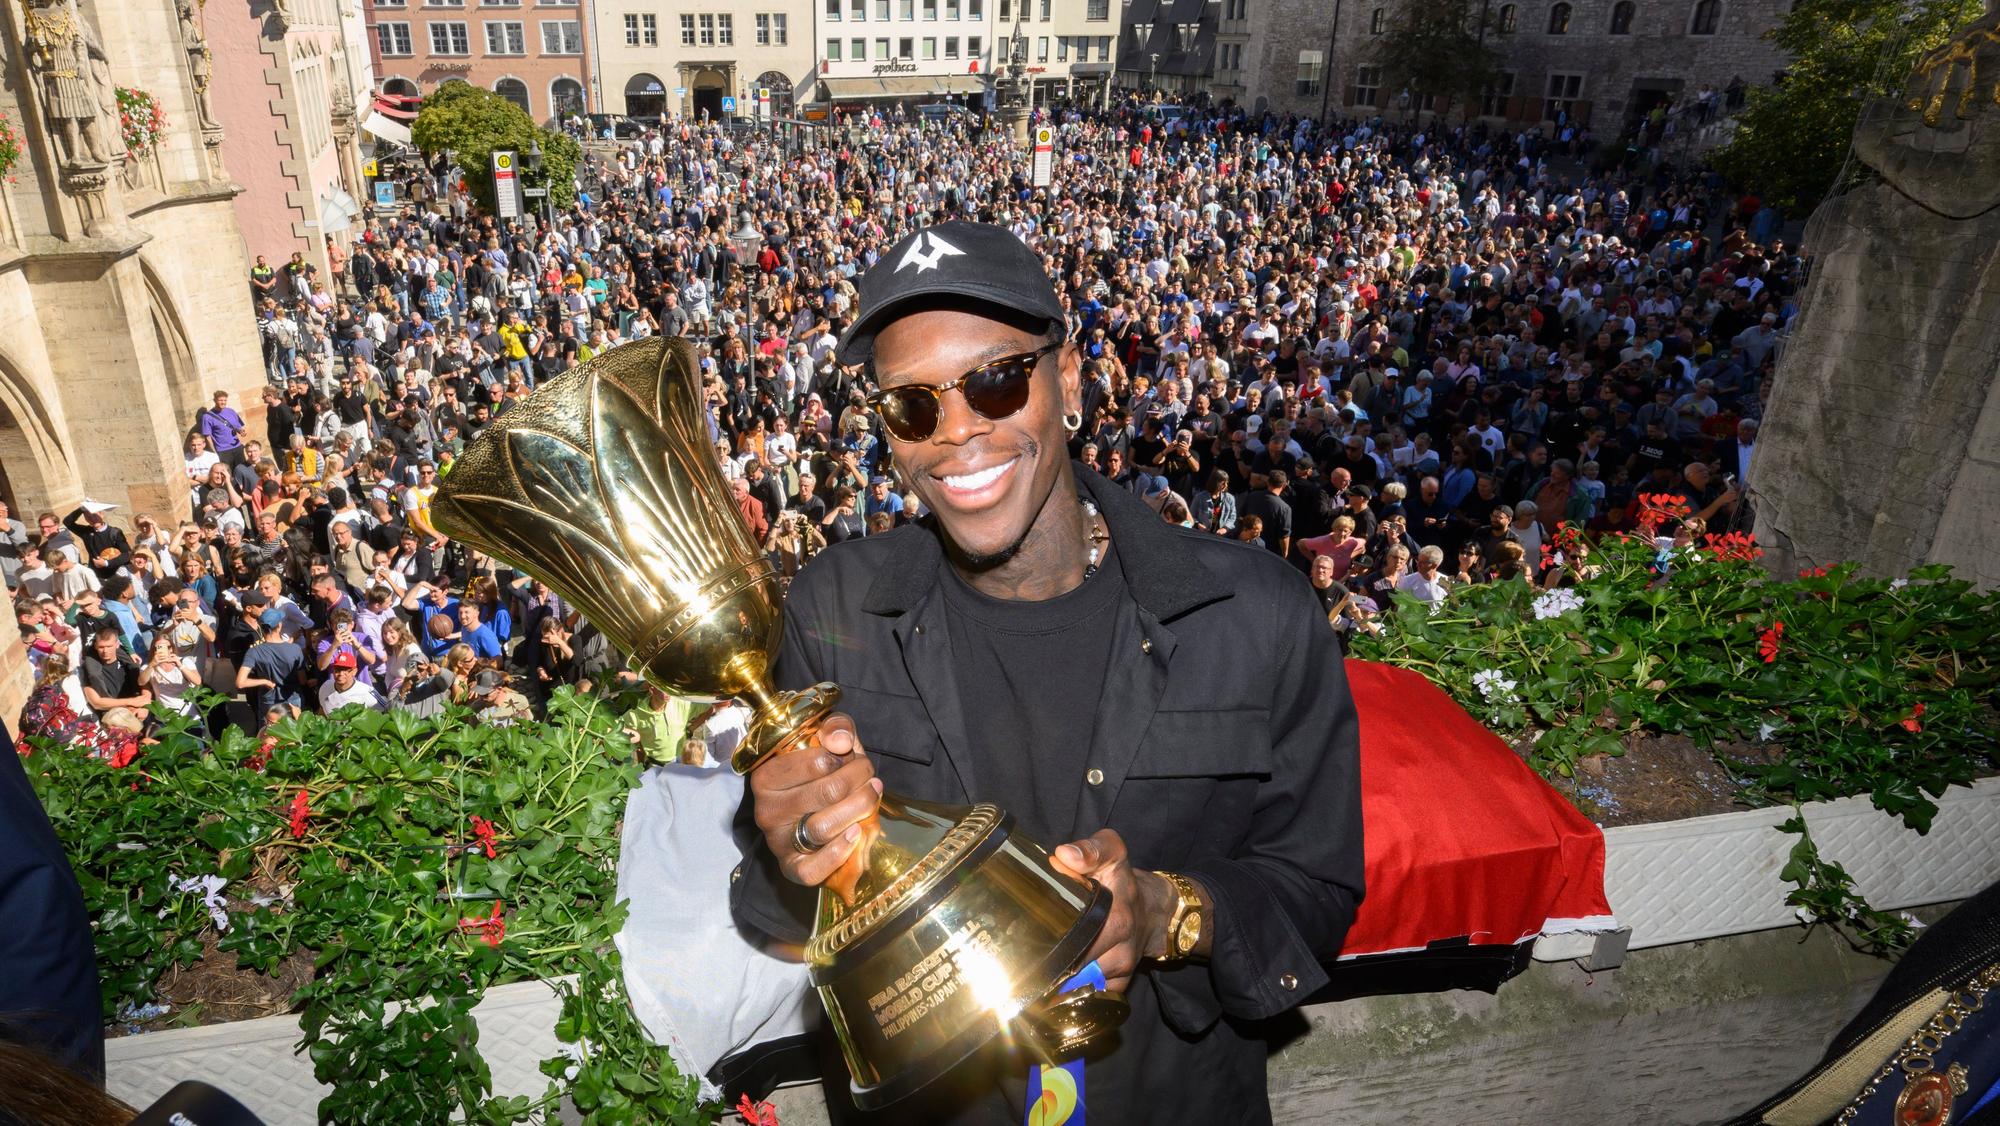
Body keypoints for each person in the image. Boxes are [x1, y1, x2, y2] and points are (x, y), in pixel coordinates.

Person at [731, 221, 1363, 1124]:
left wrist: (1163, 912)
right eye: (911, 405)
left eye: (993, 382)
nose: (956, 435)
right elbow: (788, 914)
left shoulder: (1254, 615)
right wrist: (795, 846)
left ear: (1066, 381)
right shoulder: (833, 610)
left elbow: (1316, 890)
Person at [318, 649, 384, 712]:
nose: (341, 674)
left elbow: (384, 711)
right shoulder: (325, 687)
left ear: (354, 671)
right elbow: (322, 712)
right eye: (337, 669)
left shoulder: (367, 692)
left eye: (345, 670)